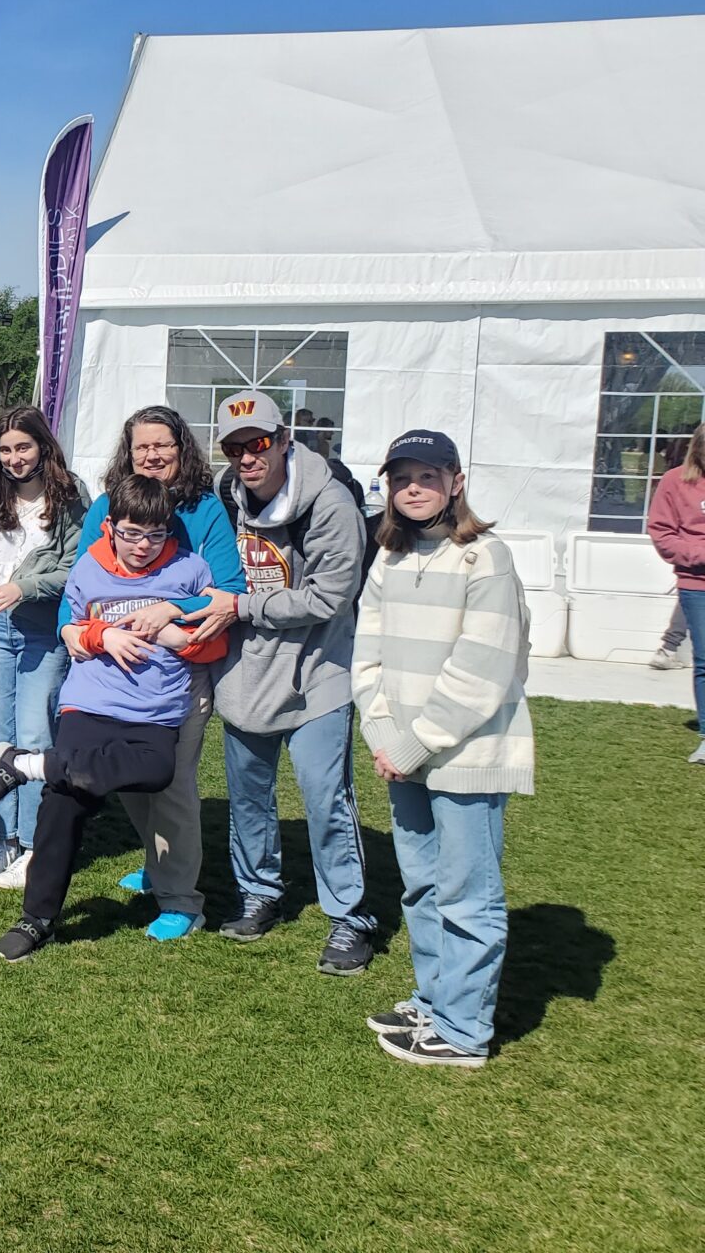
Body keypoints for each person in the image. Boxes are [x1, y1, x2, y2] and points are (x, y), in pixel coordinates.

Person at [0, 474, 227, 963]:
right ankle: (36, 918)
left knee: (157, 772)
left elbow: (216, 637)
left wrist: (176, 636)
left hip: (156, 712)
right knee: (65, 801)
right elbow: (69, 625)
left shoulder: (192, 571)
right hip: (91, 703)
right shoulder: (90, 567)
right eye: (131, 533)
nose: (143, 546)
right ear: (110, 527)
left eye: (155, 534)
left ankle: (25, 765)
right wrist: (102, 637)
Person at [355, 429, 534, 1067]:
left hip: (468, 756)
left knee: (467, 893)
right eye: (401, 477)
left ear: (455, 481)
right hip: (401, 755)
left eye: (427, 477)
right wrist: (383, 734)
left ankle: (464, 1031)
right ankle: (435, 1000)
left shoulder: (487, 557)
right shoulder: (391, 556)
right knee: (422, 888)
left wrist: (412, 743)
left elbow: (483, 669)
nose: (412, 489)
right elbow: (366, 654)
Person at [210, 390, 375, 974]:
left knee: (327, 801)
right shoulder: (225, 497)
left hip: (317, 676)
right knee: (249, 799)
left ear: (284, 440)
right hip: (246, 675)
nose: (246, 457)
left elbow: (332, 596)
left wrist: (244, 607)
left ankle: (350, 917)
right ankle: (259, 892)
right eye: (234, 447)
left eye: (257, 443)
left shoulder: (329, 504)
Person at [77, 405, 246, 941]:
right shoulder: (105, 507)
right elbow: (81, 592)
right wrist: (94, 634)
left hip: (179, 672)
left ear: (182, 449)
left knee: (171, 783)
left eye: (162, 445)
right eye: (141, 447)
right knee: (133, 779)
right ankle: (158, 865)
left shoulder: (203, 510)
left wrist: (171, 609)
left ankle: (181, 899)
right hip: (115, 672)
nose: (151, 455)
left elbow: (229, 589)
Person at [0, 405, 88, 889]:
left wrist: (25, 587)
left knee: (36, 739)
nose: (15, 458)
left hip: (40, 629)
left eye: (24, 447)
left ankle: (37, 846)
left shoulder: (71, 498)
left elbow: (77, 568)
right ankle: (5, 841)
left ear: (43, 446)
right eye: (6, 449)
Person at [647, 422, 705, 761]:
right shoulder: (675, 481)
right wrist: (699, 556)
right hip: (697, 584)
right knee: (704, 660)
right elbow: (663, 535)